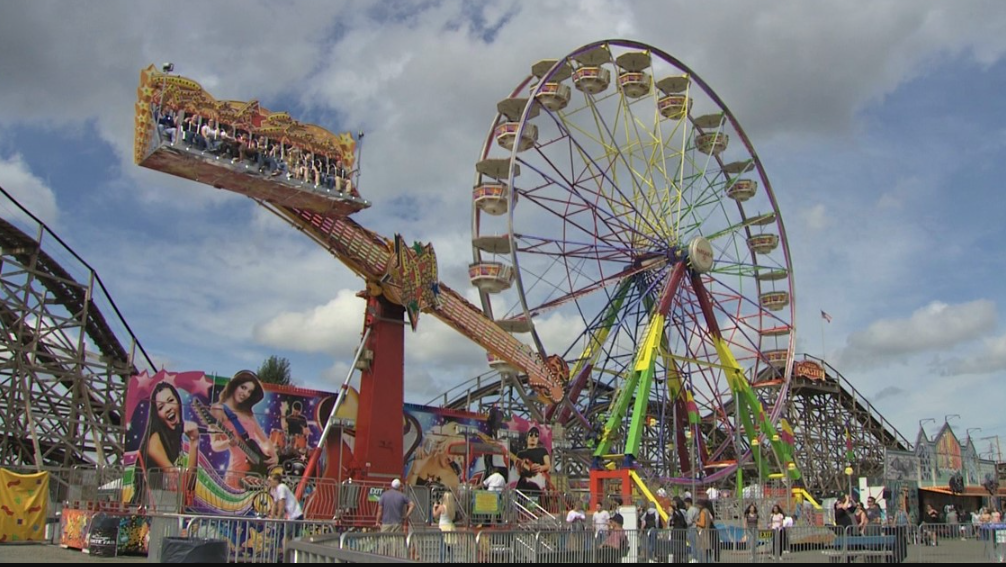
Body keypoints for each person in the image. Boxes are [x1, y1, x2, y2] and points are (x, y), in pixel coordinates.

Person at [209, 371, 278, 490]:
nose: (245, 393)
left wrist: (274, 456)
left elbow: (264, 439)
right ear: (235, 385)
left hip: (256, 475)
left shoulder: (248, 413)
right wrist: (228, 443)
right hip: (236, 474)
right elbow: (214, 445)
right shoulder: (218, 409)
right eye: (243, 387)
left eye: (249, 391)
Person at [132, 382, 199, 504]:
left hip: (162, 504)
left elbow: (189, 486)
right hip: (150, 506)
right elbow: (183, 485)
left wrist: (194, 442)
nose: (168, 408)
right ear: (156, 414)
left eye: (170, 400)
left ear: (178, 402)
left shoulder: (172, 436)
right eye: (161, 407)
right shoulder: (154, 442)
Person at [515, 426, 551, 494]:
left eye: (536, 435)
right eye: (531, 435)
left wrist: (539, 468)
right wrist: (525, 468)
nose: (533, 437)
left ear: (538, 439)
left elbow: (548, 465)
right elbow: (518, 471)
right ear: (527, 438)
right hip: (523, 485)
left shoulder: (543, 451)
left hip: (539, 485)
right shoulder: (520, 454)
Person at [432, 490, 457, 561]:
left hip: (443, 528)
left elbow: (435, 515)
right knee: (450, 548)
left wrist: (434, 507)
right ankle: (451, 561)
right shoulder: (452, 507)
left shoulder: (442, 507)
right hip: (451, 527)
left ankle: (442, 561)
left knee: (442, 547)